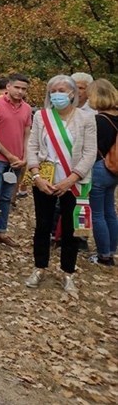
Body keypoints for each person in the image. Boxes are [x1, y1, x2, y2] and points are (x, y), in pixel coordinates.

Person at [25, 76, 97, 294]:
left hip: (74, 182)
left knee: (70, 229)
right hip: (45, 179)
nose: (57, 94)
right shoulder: (42, 117)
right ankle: (39, 267)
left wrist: (72, 178)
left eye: (62, 90)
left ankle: (68, 272)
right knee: (43, 226)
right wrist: (36, 176)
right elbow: (32, 146)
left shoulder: (86, 119)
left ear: (73, 93)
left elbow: (90, 152)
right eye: (53, 90)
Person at [0, 72, 32, 246]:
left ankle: (1, 232)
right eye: (16, 87)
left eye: (23, 89)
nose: (19, 91)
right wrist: (8, 155)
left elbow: (26, 133)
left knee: (7, 197)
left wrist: (25, 156)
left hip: (17, 161)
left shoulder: (26, 108)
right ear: (8, 86)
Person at [85, 79, 118, 266]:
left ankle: (104, 255)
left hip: (99, 168)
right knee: (110, 211)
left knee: (97, 213)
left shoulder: (99, 121)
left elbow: (91, 148)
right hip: (114, 169)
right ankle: (112, 249)